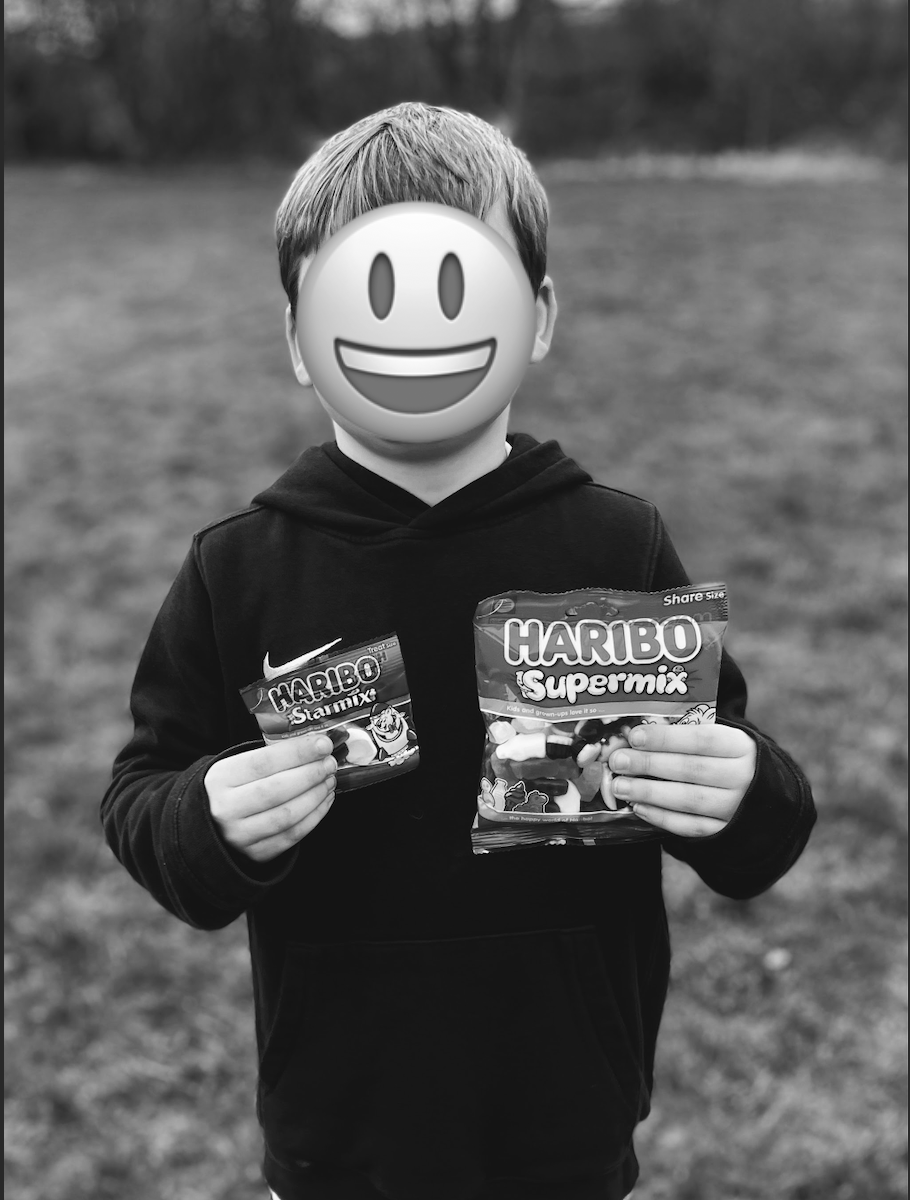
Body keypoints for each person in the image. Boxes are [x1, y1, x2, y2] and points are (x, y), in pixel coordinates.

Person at [101, 103, 816, 1200]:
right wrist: (208, 817)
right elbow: (140, 796)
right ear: (299, 336)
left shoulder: (613, 542)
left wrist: (742, 788)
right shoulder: (239, 569)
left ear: (536, 317)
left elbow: (743, 804)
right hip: (339, 1118)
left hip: (566, 1105)